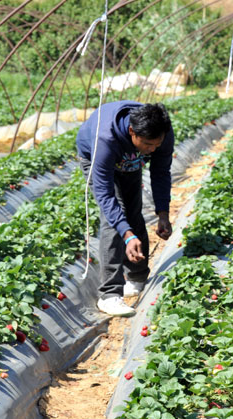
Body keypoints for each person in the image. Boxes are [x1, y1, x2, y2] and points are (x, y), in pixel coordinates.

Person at [77, 101, 174, 317]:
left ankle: (137, 276)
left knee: (133, 211)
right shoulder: (105, 139)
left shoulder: (161, 133)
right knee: (115, 217)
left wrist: (163, 213)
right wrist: (127, 235)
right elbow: (105, 194)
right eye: (148, 144)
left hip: (129, 160)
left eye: (156, 145)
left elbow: (161, 172)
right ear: (132, 131)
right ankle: (109, 294)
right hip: (97, 158)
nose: (152, 149)